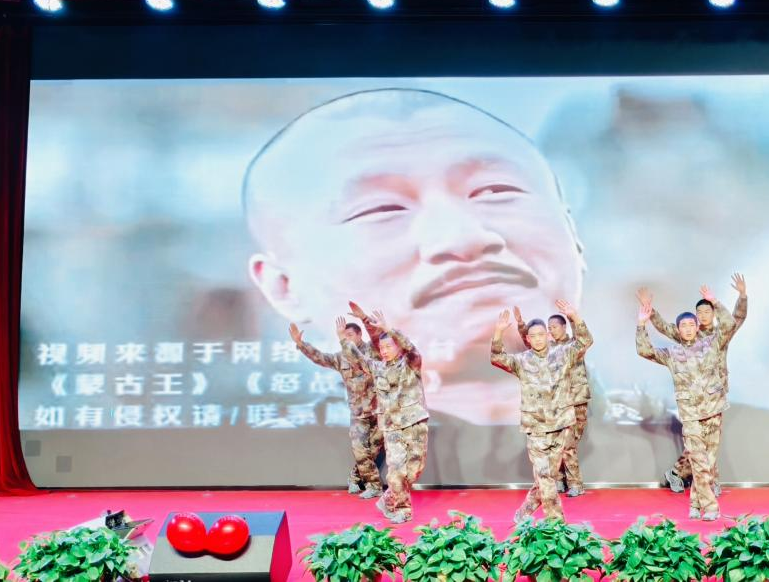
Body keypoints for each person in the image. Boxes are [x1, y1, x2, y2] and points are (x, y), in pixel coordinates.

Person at [243, 88, 585, 484]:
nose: (462, 237)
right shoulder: (267, 469)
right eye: (381, 209)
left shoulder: (643, 438)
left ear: (571, 230)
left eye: (496, 191)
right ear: (284, 287)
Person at [635, 277, 746, 520]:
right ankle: (711, 507)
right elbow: (644, 350)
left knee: (708, 462)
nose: (687, 328)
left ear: (697, 327)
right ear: (678, 330)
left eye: (691, 324)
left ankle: (695, 504)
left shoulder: (713, 343)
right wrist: (642, 324)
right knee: (699, 460)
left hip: (713, 410)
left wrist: (715, 302)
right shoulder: (672, 353)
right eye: (682, 325)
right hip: (691, 415)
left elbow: (729, 324)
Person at [491, 300, 592, 522]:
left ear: (547, 335)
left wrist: (575, 317)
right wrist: (498, 332)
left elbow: (585, 341)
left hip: (561, 424)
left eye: (541, 335)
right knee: (545, 476)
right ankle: (555, 522)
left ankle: (526, 510)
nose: (537, 339)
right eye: (533, 336)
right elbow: (497, 358)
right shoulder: (521, 361)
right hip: (536, 426)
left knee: (549, 475)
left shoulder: (563, 354)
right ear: (527, 339)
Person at [337, 310, 430, 524]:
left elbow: (410, 347)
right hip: (391, 428)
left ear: (398, 347)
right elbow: (358, 359)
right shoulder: (377, 367)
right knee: (396, 471)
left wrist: (388, 329)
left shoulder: (411, 363)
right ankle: (402, 509)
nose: (385, 351)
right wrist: (343, 339)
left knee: (414, 470)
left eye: (389, 346)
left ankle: (388, 499)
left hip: (414, 423)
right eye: (382, 348)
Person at [289, 321, 382, 498]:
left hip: (379, 411)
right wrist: (301, 344)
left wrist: (365, 318)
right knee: (360, 449)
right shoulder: (341, 358)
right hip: (358, 412)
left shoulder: (373, 350)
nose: (346, 339)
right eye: (344, 336)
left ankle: (355, 477)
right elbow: (321, 357)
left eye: (350, 335)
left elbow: (379, 338)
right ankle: (374, 485)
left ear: (359, 335)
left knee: (373, 450)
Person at [513, 307, 591, 497]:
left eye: (554, 327)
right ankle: (559, 480)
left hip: (576, 399)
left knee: (569, 445)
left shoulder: (570, 346)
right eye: (549, 328)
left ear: (564, 327)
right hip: (555, 404)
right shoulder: (548, 349)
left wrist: (573, 316)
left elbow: (584, 338)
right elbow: (530, 341)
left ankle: (575, 483)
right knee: (559, 446)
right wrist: (521, 325)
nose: (551, 331)